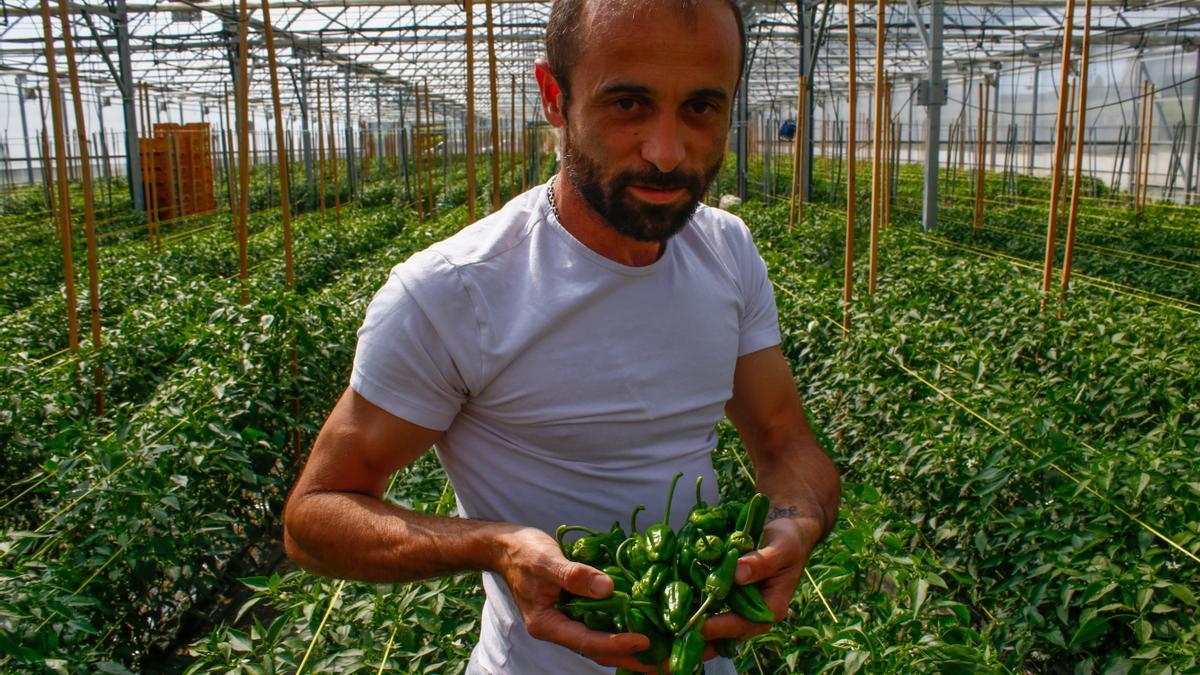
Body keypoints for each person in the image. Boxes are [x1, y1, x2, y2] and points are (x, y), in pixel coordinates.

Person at [282, 0, 841, 672]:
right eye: (628, 104)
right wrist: (493, 544)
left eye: (701, 107)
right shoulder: (455, 292)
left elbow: (784, 440)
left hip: (698, 652)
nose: (666, 151)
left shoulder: (727, 251)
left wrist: (796, 523)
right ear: (555, 98)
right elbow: (315, 516)